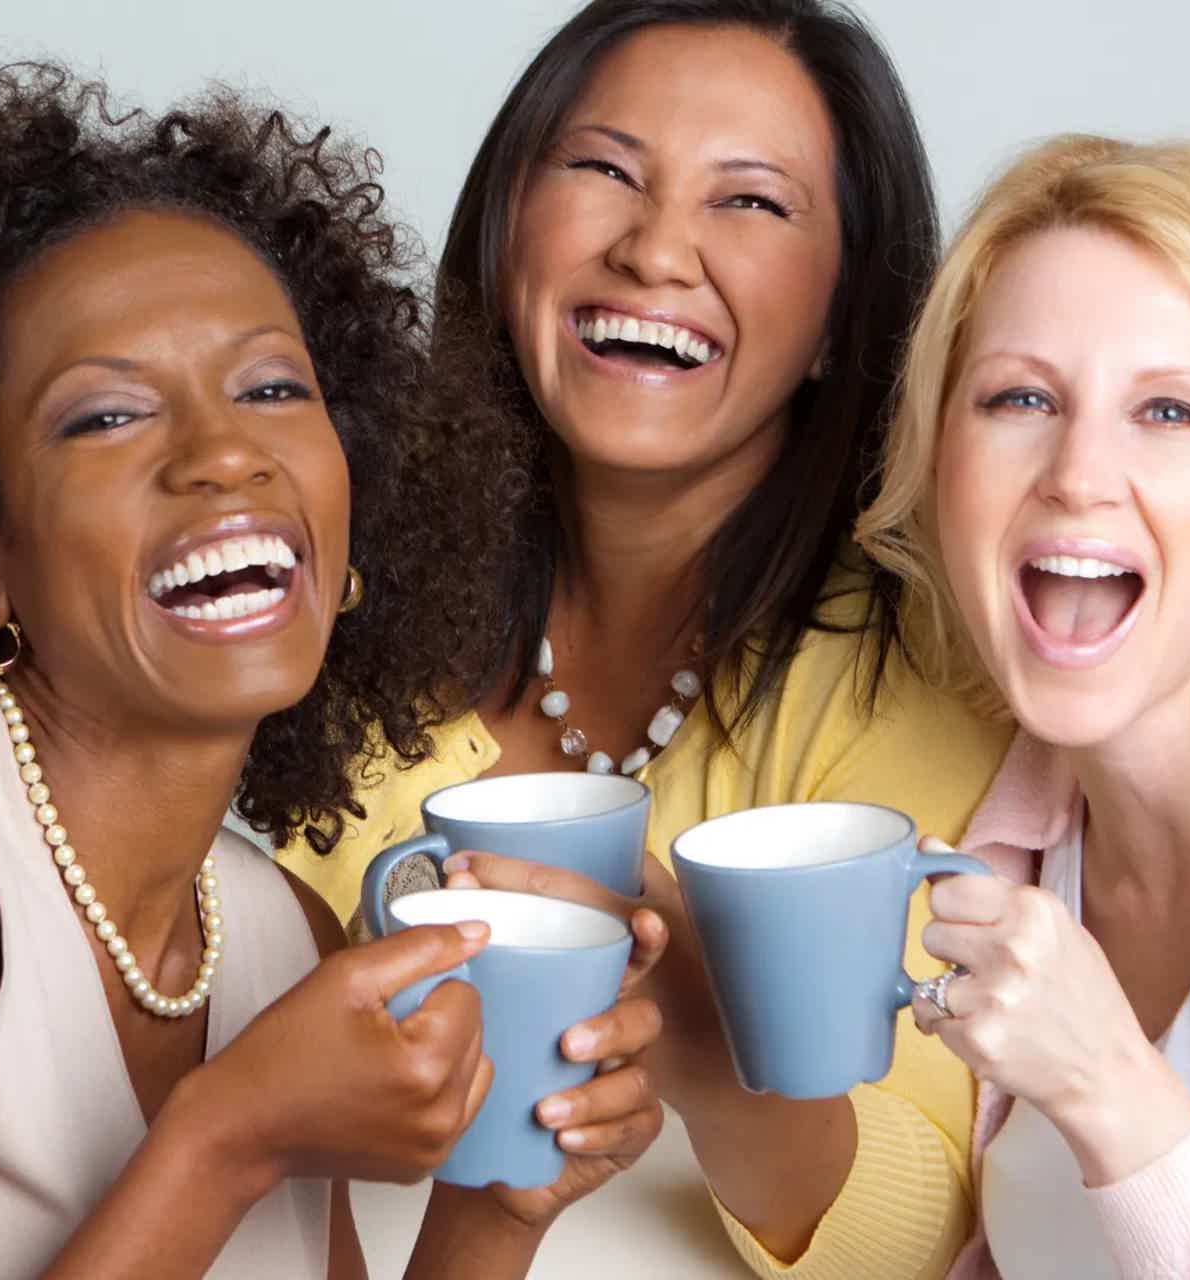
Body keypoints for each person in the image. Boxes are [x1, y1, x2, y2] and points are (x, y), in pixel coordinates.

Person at [283, 2, 1012, 1274]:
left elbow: (930, 1227)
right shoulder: (342, 593)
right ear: (511, 218)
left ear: (847, 309)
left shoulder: (922, 671)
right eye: (604, 169)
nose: (656, 249)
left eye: (751, 203)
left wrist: (706, 1039)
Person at [0, 61, 664, 1280]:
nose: (225, 452)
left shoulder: (286, 929)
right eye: (108, 415)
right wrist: (229, 1137)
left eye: (274, 388)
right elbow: (225, 1147)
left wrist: (497, 1206)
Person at [856, 134, 1190, 1276]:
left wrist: (1103, 1081)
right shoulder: (1013, 839)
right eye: (1019, 396)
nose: (1075, 472)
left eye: (1169, 412)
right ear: (936, 465)